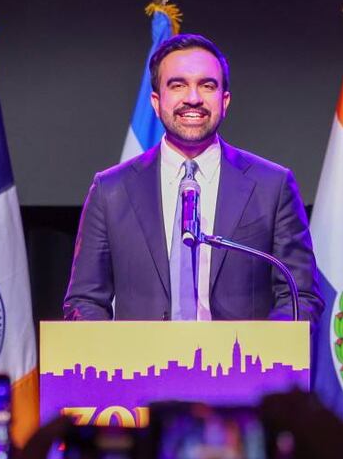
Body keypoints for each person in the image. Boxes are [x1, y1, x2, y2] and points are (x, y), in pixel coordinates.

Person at [63, 34, 324, 325]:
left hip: (239, 366)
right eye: (178, 85)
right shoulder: (111, 191)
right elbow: (85, 301)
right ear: (156, 100)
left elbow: (300, 296)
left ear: (224, 100)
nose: (193, 98)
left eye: (207, 85)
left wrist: (261, 358)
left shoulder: (272, 187)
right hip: (140, 368)